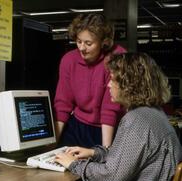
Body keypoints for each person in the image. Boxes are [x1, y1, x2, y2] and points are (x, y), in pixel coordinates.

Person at [55, 52, 182, 180]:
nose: (108, 84)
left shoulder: (136, 120)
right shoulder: (155, 113)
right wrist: (94, 153)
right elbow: (127, 157)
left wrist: (73, 164)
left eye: (112, 79)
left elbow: (112, 176)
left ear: (129, 85)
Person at [54, 13, 126, 148]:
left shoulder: (116, 57)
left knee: (100, 164)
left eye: (88, 43)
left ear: (103, 42)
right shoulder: (68, 60)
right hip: (78, 125)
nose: (81, 48)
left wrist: (106, 151)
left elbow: (110, 109)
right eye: (79, 41)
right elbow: (63, 104)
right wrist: (53, 146)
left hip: (107, 128)